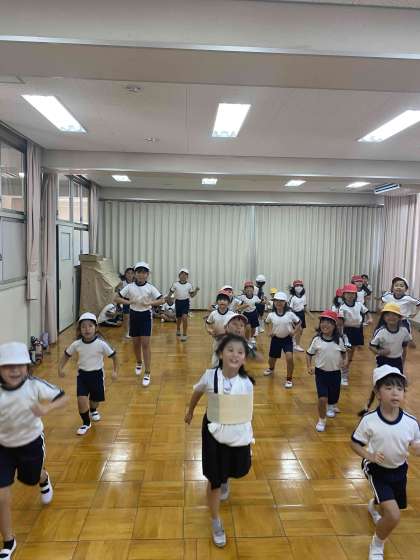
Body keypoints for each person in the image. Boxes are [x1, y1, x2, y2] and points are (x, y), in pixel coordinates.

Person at [185, 334, 254, 549]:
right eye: (230, 350)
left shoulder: (246, 383)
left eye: (240, 352)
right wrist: (190, 411)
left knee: (236, 468)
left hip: (236, 433)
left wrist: (248, 436)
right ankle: (216, 521)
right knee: (214, 478)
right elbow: (197, 392)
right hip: (213, 432)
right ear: (221, 354)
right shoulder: (210, 376)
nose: (235, 355)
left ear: (244, 358)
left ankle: (225, 479)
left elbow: (247, 414)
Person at [0, 342, 68, 559]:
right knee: (2, 495)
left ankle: (43, 478)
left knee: (31, 477)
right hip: (3, 448)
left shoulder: (34, 385)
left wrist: (47, 407)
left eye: (20, 365)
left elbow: (62, 397)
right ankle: (8, 541)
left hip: (30, 443)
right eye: (7, 366)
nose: (14, 370)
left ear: (28, 367)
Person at [351, 365, 420, 560]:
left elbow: (416, 444)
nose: (395, 392)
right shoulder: (369, 420)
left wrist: (417, 449)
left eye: (399, 388)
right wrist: (370, 456)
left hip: (399, 469)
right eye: (388, 388)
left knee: (388, 506)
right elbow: (354, 443)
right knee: (393, 515)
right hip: (376, 469)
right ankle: (377, 544)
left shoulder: (411, 421)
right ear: (377, 392)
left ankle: (374, 504)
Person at [59, 312, 118, 435]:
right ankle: (86, 423)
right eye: (83, 327)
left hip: (97, 376)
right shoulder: (76, 344)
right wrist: (60, 368)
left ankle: (93, 409)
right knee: (81, 400)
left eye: (90, 326)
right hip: (82, 376)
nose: (87, 329)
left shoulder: (101, 344)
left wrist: (115, 371)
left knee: (95, 400)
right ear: (80, 330)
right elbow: (66, 355)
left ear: (96, 328)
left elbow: (114, 356)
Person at [114, 261, 165, 386]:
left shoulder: (150, 287)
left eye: (144, 273)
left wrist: (150, 303)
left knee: (145, 344)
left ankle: (147, 372)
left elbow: (162, 300)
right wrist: (128, 302)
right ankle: (138, 362)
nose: (141, 275)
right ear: (135, 274)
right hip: (134, 316)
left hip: (146, 316)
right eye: (139, 272)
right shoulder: (130, 287)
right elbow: (116, 298)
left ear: (147, 275)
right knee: (136, 344)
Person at [306, 310, 347, 432]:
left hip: (335, 373)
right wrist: (309, 366)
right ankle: (321, 420)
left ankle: (331, 405)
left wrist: (345, 361)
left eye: (329, 322)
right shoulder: (317, 340)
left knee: (333, 396)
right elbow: (309, 354)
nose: (325, 324)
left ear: (335, 326)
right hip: (321, 374)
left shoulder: (339, 340)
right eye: (323, 321)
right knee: (322, 398)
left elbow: (344, 353)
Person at [264, 291, 300, 388]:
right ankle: (271, 368)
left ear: (285, 302)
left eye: (281, 301)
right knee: (271, 360)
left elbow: (299, 322)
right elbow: (266, 322)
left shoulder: (290, 314)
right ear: (274, 302)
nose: (279, 303)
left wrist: (294, 331)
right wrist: (269, 332)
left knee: (289, 358)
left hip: (287, 339)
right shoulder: (271, 315)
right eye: (276, 301)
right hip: (275, 339)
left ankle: (289, 379)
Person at [369, 303, 414, 373]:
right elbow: (371, 346)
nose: (391, 317)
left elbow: (405, 347)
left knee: (397, 378)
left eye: (394, 314)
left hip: (397, 360)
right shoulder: (381, 332)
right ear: (384, 318)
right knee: (383, 378)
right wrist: (379, 352)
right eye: (387, 315)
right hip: (383, 360)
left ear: (400, 317)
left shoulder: (404, 331)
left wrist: (403, 362)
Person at [340, 283, 370, 386]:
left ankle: (346, 369)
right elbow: (340, 321)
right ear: (344, 295)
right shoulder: (342, 307)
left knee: (352, 352)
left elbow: (366, 311)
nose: (350, 295)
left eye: (352, 293)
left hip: (357, 330)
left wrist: (370, 318)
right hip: (347, 331)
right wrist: (341, 333)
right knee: (346, 351)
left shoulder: (359, 304)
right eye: (348, 293)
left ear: (355, 295)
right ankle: (343, 374)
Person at [206, 291, 235, 367]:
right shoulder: (213, 314)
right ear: (217, 302)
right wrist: (209, 330)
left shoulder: (232, 314)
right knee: (216, 355)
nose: (222, 301)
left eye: (225, 300)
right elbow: (208, 323)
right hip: (217, 339)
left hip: (228, 340)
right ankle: (214, 369)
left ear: (229, 303)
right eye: (220, 300)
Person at [169, 268, 200, 341]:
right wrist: (167, 298)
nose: (183, 276)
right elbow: (170, 293)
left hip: (185, 302)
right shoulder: (175, 284)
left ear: (187, 277)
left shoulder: (189, 285)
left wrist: (196, 290)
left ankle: (185, 334)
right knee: (179, 318)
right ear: (179, 275)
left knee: (185, 318)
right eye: (182, 274)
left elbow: (192, 295)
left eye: (185, 275)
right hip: (178, 302)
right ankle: (178, 329)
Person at [288, 279, 309, 352]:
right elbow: (290, 308)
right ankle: (296, 345)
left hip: (302, 314)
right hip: (294, 314)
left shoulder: (304, 296)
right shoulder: (292, 297)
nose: (299, 287)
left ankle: (294, 342)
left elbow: (305, 307)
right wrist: (292, 318)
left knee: (301, 331)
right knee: (298, 330)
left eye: (300, 285)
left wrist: (311, 315)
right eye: (297, 285)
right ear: (294, 287)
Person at [119, 267, 135, 338]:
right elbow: (118, 292)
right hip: (125, 301)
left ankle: (133, 331)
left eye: (131, 273)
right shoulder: (122, 283)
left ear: (134, 275)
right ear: (125, 274)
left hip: (134, 301)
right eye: (128, 273)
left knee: (134, 318)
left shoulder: (135, 283)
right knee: (126, 318)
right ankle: (127, 332)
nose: (130, 275)